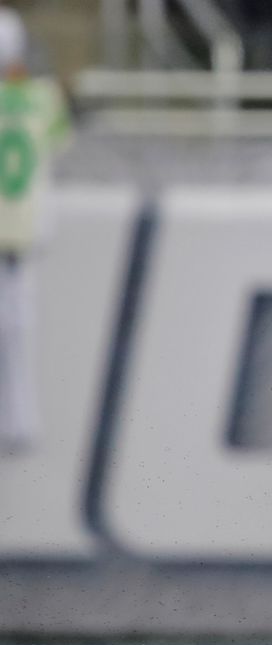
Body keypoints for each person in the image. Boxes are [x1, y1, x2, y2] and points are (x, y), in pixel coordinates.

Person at [0, 7, 69, 453]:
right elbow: (57, 145)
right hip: (24, 232)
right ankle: (20, 421)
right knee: (19, 326)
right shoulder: (45, 97)